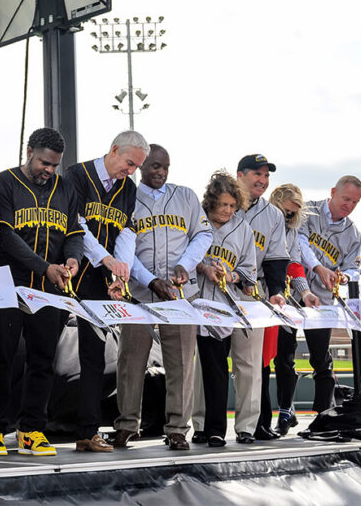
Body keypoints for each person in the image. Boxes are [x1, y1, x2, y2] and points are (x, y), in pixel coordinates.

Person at [0, 127, 82, 457]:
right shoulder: (3, 183)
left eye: (54, 165)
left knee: (43, 360)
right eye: (43, 163)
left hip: (49, 290)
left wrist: (72, 259)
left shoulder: (66, 189)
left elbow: (74, 233)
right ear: (28, 152)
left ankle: (31, 428)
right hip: (10, 285)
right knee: (3, 357)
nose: (48, 170)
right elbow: (7, 236)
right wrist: (44, 267)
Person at [117, 144, 212, 451]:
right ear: (143, 165)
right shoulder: (126, 196)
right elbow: (123, 247)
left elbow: (204, 234)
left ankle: (176, 429)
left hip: (180, 292)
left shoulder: (185, 195)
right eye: (154, 166)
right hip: (139, 290)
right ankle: (127, 425)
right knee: (130, 361)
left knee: (181, 362)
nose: (159, 172)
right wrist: (149, 279)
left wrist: (186, 263)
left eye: (165, 167)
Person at [67, 130, 148, 452]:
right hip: (65, 271)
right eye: (129, 163)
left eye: (135, 167)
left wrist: (122, 270)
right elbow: (77, 224)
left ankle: (87, 432)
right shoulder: (77, 175)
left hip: (99, 283)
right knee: (38, 351)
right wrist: (107, 259)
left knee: (94, 355)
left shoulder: (128, 188)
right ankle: (12, 428)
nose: (131, 171)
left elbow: (127, 229)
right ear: (114, 150)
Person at [223, 154, 290, 444]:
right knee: (209, 360)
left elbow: (276, 259)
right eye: (256, 174)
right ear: (240, 175)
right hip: (214, 291)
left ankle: (252, 426)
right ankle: (203, 426)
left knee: (253, 363)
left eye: (266, 176)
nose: (262, 180)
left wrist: (276, 291)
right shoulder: (223, 203)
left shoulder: (273, 215)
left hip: (252, 292)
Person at [191, 171, 257, 448]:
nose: (228, 210)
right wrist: (203, 267)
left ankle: (216, 428)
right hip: (196, 302)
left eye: (232, 205)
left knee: (219, 367)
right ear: (211, 202)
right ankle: (203, 426)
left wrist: (231, 276)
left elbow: (249, 271)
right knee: (202, 369)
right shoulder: (196, 221)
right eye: (223, 205)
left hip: (226, 307)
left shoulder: (242, 229)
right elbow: (181, 257)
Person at [294, 175, 361, 423]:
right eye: (346, 199)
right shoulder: (307, 209)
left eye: (355, 202)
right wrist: (318, 268)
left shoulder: (354, 233)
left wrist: (344, 276)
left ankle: (323, 413)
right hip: (291, 290)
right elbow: (298, 242)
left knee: (320, 357)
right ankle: (284, 410)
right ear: (333, 192)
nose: (349, 205)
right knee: (283, 355)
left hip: (323, 299)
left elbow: (356, 268)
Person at [265, 184, 320, 437]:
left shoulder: (292, 231)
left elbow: (295, 264)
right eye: (286, 212)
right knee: (262, 360)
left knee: (285, 359)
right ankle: (261, 415)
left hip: (284, 301)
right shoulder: (262, 221)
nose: (289, 217)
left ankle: (286, 409)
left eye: (293, 213)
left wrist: (305, 292)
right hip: (259, 296)